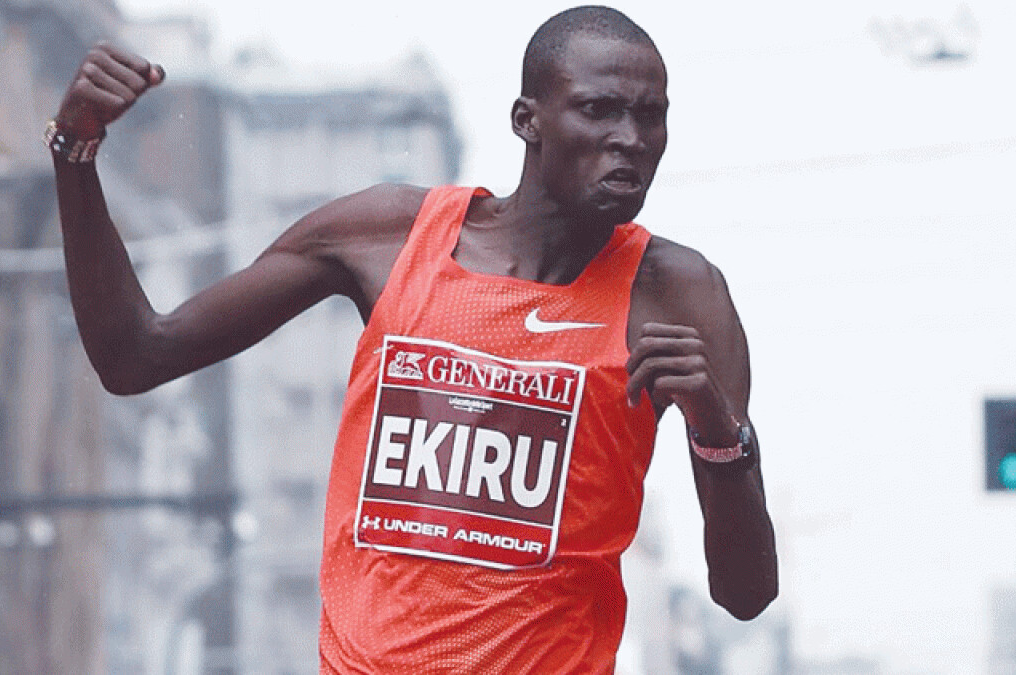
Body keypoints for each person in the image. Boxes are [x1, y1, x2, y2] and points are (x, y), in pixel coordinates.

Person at [49, 5, 777, 672]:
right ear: (528, 120)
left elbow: (745, 594)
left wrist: (719, 433)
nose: (631, 139)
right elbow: (135, 355)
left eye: (651, 116)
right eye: (599, 110)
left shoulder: (678, 295)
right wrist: (75, 153)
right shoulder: (387, 238)